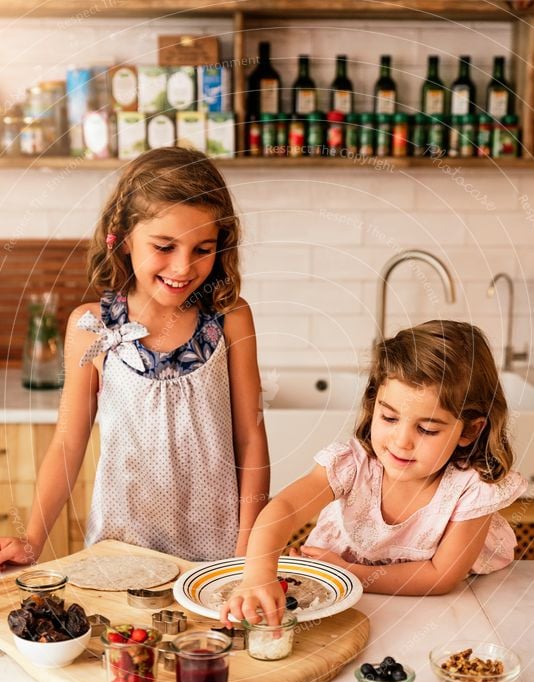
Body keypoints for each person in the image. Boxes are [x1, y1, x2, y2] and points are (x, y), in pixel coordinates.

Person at [0, 147, 269, 567]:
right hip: (119, 549)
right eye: (164, 246)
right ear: (123, 238)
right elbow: (68, 444)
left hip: (215, 556)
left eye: (203, 248)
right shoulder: (91, 326)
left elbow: (251, 440)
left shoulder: (231, 318)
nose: (183, 267)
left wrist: (247, 556)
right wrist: (33, 539)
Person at [221, 320, 527, 626]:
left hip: (430, 612)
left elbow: (440, 577)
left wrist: (351, 572)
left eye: (427, 429)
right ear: (373, 404)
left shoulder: (472, 487)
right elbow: (284, 508)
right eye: (389, 417)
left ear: (470, 430)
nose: (401, 442)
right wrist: (258, 573)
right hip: (339, 601)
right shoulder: (353, 464)